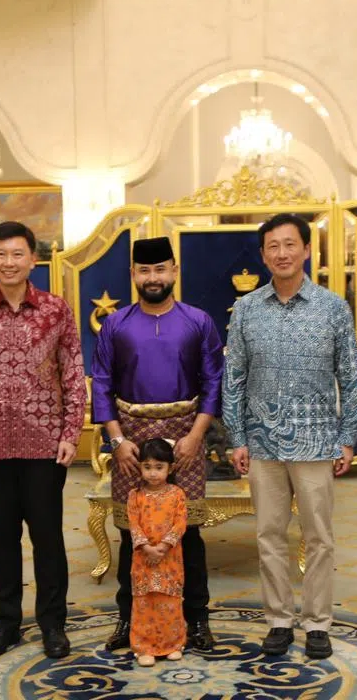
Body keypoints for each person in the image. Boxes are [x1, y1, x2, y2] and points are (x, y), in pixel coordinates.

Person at [223, 213, 357, 660]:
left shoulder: (333, 307)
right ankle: (279, 619)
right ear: (263, 255)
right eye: (272, 247)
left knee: (319, 536)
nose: (281, 253)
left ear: (306, 250)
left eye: (290, 245)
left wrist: (347, 436)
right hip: (262, 442)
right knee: (269, 534)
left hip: (317, 440)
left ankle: (318, 622)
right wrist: (236, 437)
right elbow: (234, 377)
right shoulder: (246, 308)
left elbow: (350, 377)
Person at [0, 221, 86, 660]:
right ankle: (5, 624)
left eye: (18, 254)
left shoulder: (55, 309)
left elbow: (72, 373)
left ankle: (52, 624)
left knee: (48, 539)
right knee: (0, 540)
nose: (9, 262)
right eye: (1, 254)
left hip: (45, 444)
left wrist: (71, 433)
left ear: (33, 259)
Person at [90, 235, 223, 653]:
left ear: (174, 272)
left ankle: (197, 620)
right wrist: (117, 442)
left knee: (191, 532)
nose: (153, 278)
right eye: (144, 270)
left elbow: (214, 380)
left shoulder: (198, 321)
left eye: (160, 269)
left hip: (186, 433)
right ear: (133, 274)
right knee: (133, 533)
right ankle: (127, 619)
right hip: (130, 436)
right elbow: (102, 384)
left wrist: (196, 435)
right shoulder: (115, 324)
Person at [127, 439, 189, 666]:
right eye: (147, 467)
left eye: (159, 467)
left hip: (169, 558)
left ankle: (172, 644)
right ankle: (144, 648)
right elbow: (133, 524)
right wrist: (146, 547)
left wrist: (163, 547)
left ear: (170, 468)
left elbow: (180, 523)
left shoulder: (177, 494)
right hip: (143, 558)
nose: (153, 473)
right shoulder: (135, 495)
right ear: (140, 467)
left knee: (170, 601)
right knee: (145, 603)